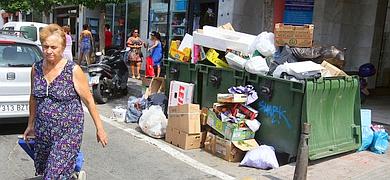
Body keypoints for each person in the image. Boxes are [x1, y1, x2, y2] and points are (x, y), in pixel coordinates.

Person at [23, 24, 108, 179]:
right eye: (45, 46)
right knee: (44, 171)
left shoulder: (73, 70)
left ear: (62, 47)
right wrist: (30, 124)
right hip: (43, 131)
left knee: (53, 175)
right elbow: (33, 97)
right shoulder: (36, 68)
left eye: (53, 47)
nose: (49, 51)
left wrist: (99, 128)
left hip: (68, 132)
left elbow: (89, 100)